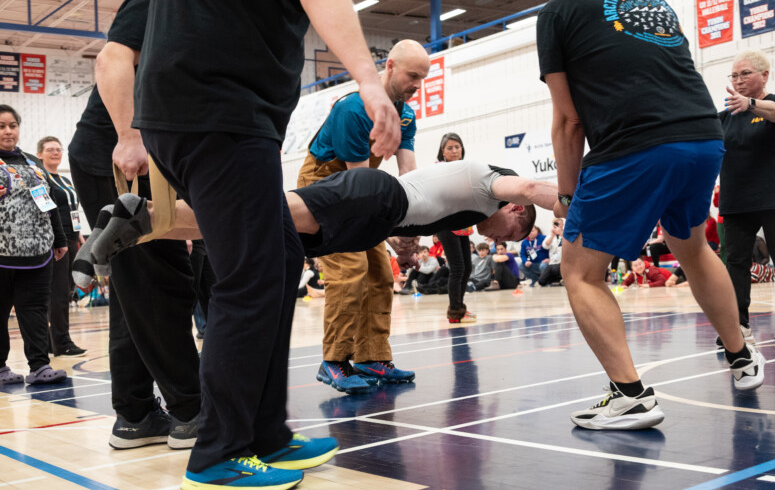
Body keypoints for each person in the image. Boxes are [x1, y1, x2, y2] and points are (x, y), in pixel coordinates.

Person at [130, 0, 403, 490]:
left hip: (207, 107)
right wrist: (369, 81)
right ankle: (219, 453)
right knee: (251, 274)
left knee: (280, 253)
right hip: (217, 106)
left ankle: (263, 434)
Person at [538, 0, 765, 431]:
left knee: (580, 271)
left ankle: (629, 396)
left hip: (635, 143)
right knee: (694, 248)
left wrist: (567, 196)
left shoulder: (558, 11)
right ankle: (741, 354)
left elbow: (569, 119)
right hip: (702, 135)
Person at [67, 0, 202, 453]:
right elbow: (110, 60)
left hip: (128, 155)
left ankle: (135, 413)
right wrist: (129, 136)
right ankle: (191, 411)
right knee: (159, 281)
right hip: (124, 156)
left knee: (133, 285)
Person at [77, 161, 551, 281]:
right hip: (372, 199)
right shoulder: (493, 185)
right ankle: (143, 216)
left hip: (374, 212)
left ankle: (139, 224)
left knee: (245, 225)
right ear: (513, 211)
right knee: (251, 215)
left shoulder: (471, 205)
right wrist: (575, 203)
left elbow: (425, 206)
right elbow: (532, 188)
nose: (507, 239)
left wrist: (400, 241)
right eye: (516, 231)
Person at [297, 39, 430, 395]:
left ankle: (372, 357)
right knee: (351, 270)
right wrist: (389, 231)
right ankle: (334, 361)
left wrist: (411, 231)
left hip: (362, 186)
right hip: (325, 184)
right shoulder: (354, 111)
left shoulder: (405, 114)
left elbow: (409, 176)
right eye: (412, 75)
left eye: (423, 77)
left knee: (381, 273)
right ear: (389, 67)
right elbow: (356, 191)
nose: (418, 84)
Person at [718, 50, 775, 342]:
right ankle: (738, 325)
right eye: (734, 75)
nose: (738, 80)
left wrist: (751, 104)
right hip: (736, 202)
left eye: (745, 73)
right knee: (736, 264)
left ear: (764, 75)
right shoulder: (723, 119)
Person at [0, 105, 69, 386]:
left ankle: (40, 366)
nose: (8, 131)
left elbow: (48, 202)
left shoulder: (32, 163)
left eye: (12, 125)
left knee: (35, 309)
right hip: (1, 253)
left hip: (38, 251)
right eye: (1, 126)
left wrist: (60, 238)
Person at [37, 136, 87, 357]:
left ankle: (51, 341)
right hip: (55, 241)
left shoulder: (65, 181)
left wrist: (79, 236)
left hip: (72, 239)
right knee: (57, 293)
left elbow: (74, 210)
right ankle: (62, 342)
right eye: (50, 150)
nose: (56, 153)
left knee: (66, 290)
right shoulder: (39, 179)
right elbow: (44, 209)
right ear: (40, 154)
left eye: (58, 149)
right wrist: (58, 240)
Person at [435, 133, 476, 324]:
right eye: (450, 148)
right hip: (445, 222)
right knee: (458, 268)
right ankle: (454, 312)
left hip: (462, 222)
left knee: (467, 268)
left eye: (457, 147)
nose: (454, 151)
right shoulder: (438, 169)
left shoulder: (465, 168)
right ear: (442, 151)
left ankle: (459, 307)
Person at [538, 218, 564, 286]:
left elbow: (570, 244)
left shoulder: (566, 234)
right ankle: (556, 280)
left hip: (563, 263)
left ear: (562, 225)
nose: (557, 225)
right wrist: (552, 235)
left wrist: (561, 233)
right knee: (541, 281)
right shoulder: (550, 236)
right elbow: (545, 246)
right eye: (555, 224)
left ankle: (561, 280)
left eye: (559, 224)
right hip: (552, 263)